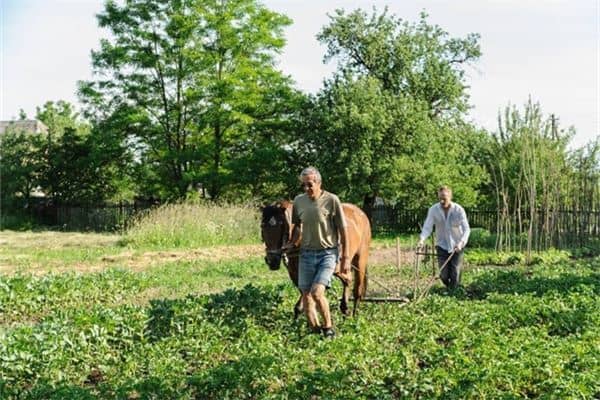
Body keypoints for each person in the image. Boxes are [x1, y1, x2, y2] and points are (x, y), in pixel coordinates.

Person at [286, 166, 350, 338]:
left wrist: (345, 259)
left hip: (327, 253)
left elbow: (343, 231)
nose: (306, 189)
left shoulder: (332, 200)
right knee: (306, 295)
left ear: (319, 183)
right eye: (303, 185)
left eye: (309, 185)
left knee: (317, 292)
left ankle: (328, 328)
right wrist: (292, 243)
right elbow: (298, 227)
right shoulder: (299, 201)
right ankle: (314, 331)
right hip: (306, 253)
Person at [417, 186, 470, 290]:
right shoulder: (433, 210)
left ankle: (454, 293)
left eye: (444, 198)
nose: (442, 200)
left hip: (457, 245)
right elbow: (427, 227)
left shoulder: (458, 210)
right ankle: (449, 287)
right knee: (443, 275)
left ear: (450, 196)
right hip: (441, 245)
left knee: (455, 273)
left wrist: (461, 243)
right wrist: (422, 239)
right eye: (440, 198)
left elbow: (466, 229)